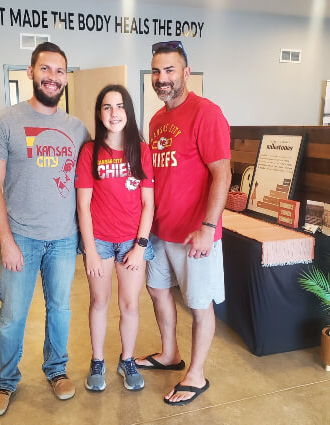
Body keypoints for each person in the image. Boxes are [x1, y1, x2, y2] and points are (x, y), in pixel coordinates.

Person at [0, 42, 90, 416]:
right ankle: (4, 381)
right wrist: (6, 242)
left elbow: (91, 182)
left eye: (59, 71)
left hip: (63, 238)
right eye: (45, 69)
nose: (52, 77)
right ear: (30, 72)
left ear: (66, 77)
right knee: (13, 314)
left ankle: (57, 370)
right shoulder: (4, 122)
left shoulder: (77, 129)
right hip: (20, 238)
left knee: (60, 309)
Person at [135, 41, 231, 406]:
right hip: (161, 230)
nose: (162, 78)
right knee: (158, 292)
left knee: (199, 304)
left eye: (170, 70)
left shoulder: (207, 113)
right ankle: (170, 354)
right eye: (157, 71)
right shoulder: (157, 120)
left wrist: (208, 227)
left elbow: (222, 173)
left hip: (196, 234)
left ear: (186, 73)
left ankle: (197, 374)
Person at [75, 85, 155, 392]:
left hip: (133, 243)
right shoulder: (89, 152)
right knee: (99, 301)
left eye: (119, 106)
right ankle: (98, 361)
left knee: (130, 305)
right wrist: (91, 251)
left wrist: (140, 246)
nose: (114, 113)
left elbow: (148, 204)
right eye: (107, 107)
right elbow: (83, 206)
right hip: (101, 243)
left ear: (129, 111)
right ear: (99, 114)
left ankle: (128, 359)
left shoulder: (142, 151)